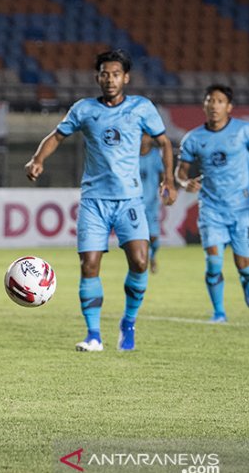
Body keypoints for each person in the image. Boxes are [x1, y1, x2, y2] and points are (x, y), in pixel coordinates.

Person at [25, 49, 177, 352]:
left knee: (140, 261)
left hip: (130, 201)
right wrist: (37, 159)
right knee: (89, 264)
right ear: (98, 77)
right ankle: (93, 335)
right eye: (105, 74)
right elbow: (56, 136)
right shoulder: (84, 109)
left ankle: (128, 322)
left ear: (126, 78)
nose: (110, 79)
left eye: (116, 74)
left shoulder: (142, 108)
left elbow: (164, 142)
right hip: (94, 201)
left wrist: (169, 179)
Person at [176, 84, 249, 323]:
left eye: (220, 101)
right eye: (210, 100)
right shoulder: (193, 138)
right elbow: (181, 172)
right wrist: (184, 182)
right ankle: (219, 312)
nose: (214, 105)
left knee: (243, 264)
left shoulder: (245, 131)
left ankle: (248, 280)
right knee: (213, 262)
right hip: (210, 208)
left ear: (229, 107)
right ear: (204, 105)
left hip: (241, 208)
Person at [139, 133, 165, 273]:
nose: (143, 139)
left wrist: (165, 189)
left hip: (152, 203)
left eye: (146, 136)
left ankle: (152, 256)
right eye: (141, 136)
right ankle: (144, 260)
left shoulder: (155, 155)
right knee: (140, 237)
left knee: (154, 236)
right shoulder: (130, 155)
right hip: (134, 204)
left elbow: (163, 175)